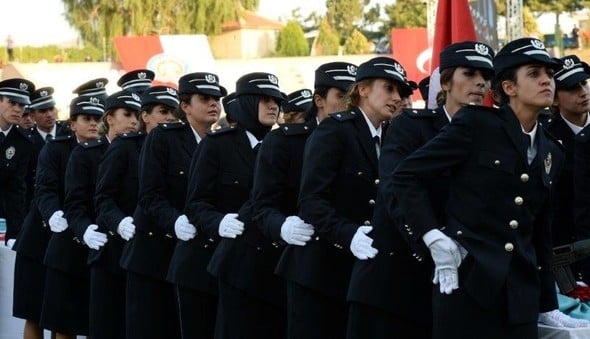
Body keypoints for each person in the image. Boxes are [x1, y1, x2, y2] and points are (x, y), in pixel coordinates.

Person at [391, 37, 586, 338]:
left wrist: (547, 303)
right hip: (468, 284)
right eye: (534, 74)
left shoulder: (552, 150)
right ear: (509, 88)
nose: (547, 81)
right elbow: (406, 176)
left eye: (549, 74)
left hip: (520, 294)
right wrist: (430, 234)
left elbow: (539, 234)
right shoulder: (476, 125)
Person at [347, 41, 495, 339]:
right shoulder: (412, 127)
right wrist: (430, 233)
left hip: (462, 283)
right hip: (397, 279)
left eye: (485, 76)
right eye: (469, 73)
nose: (480, 82)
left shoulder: (494, 135)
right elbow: (394, 187)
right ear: (446, 82)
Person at [284, 57, 412, 339]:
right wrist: (349, 234)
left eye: (400, 92)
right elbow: (311, 201)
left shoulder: (393, 136)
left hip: (364, 274)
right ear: (363, 89)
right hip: (321, 270)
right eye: (388, 88)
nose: (396, 98)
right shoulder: (335, 130)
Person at [122, 72, 224, 339]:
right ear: (186, 106)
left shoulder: (223, 143)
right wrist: (175, 220)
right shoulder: (164, 138)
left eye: (216, 98)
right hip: (156, 251)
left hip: (198, 254)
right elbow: (150, 195)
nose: (214, 103)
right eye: (205, 98)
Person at [264, 61, 356, 339]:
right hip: (309, 263)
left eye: (353, 96)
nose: (348, 103)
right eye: (340, 96)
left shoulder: (363, 138)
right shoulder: (287, 141)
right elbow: (261, 204)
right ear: (319, 100)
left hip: (352, 261)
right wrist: (282, 225)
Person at [64, 91, 139, 339]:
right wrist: (85, 229)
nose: (133, 121)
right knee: (102, 325)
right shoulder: (87, 152)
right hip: (99, 246)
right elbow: (75, 204)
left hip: (133, 246)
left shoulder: (142, 150)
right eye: (127, 115)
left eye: (137, 115)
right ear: (109, 118)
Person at [40, 95, 105, 339]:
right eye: (86, 118)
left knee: (94, 320)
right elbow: (45, 188)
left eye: (97, 119)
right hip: (65, 239)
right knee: (64, 323)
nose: (92, 124)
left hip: (96, 241)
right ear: (72, 123)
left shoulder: (107, 150)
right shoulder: (56, 149)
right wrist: (54, 213)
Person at [12, 86, 71, 339]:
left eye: (52, 109)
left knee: (61, 315)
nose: (49, 115)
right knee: (34, 311)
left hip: (67, 230)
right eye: (42, 111)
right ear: (32, 114)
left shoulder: (71, 138)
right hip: (36, 226)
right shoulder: (26, 140)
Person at [544, 55, 590, 285]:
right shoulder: (547, 139)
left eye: (584, 83)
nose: (583, 91)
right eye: (572, 88)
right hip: (565, 249)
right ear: (553, 99)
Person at [0, 78, 35, 245]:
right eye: (12, 102)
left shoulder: (22, 141)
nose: (17, 109)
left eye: (21, 105)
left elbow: (16, 190)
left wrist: (15, 233)